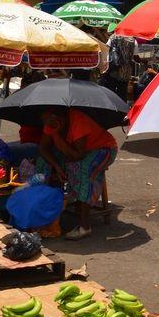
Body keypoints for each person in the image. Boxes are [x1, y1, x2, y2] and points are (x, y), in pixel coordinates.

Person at [38, 107, 118, 240]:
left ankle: (84, 225)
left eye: (50, 123)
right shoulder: (50, 123)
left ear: (59, 119)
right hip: (72, 150)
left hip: (103, 149)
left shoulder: (78, 121)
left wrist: (56, 134)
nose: (47, 126)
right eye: (46, 123)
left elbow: (78, 156)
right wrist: (57, 167)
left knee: (82, 169)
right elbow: (43, 148)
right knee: (43, 162)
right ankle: (45, 213)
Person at [102, 34, 135, 101]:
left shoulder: (113, 37)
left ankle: (111, 108)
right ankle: (121, 109)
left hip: (113, 69)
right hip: (125, 72)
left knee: (111, 92)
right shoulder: (133, 40)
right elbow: (135, 56)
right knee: (122, 93)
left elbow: (106, 49)